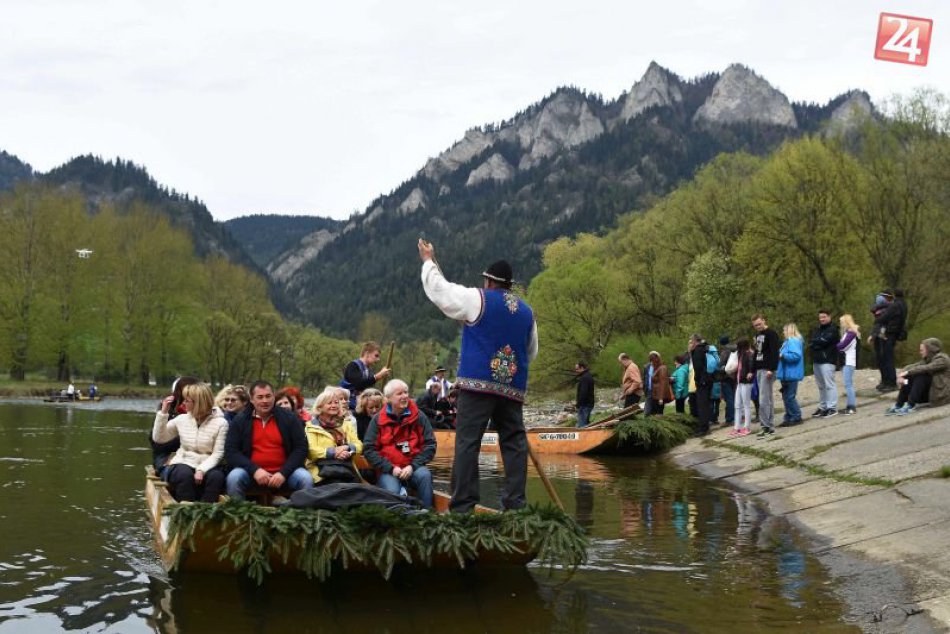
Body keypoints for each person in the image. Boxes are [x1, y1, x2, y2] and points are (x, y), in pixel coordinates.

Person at [419, 238, 537, 512]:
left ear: (488, 281)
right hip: (512, 389)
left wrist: (428, 262)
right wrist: (508, 372)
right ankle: (515, 505)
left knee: (468, 443)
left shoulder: (477, 299)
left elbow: (441, 292)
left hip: (477, 386)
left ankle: (462, 506)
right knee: (514, 444)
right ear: (509, 284)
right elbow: (530, 352)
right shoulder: (527, 312)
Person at [224, 380, 314, 500]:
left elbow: (301, 448)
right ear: (252, 399)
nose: (265, 401)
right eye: (260, 397)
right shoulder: (240, 421)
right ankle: (238, 516)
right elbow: (231, 451)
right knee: (234, 477)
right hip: (251, 473)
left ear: (274, 397)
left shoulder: (289, 418)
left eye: (268, 396)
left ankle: (303, 517)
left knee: (305, 478)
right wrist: (255, 470)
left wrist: (283, 473)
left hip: (286, 473)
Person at [363, 379, 436, 508]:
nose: (404, 396)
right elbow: (369, 450)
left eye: (406, 392)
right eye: (399, 394)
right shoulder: (377, 420)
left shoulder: (419, 417)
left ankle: (428, 514)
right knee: (392, 492)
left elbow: (430, 445)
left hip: (413, 467)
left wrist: (412, 466)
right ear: (388, 398)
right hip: (389, 470)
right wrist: (391, 469)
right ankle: (399, 518)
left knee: (425, 476)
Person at [152, 382, 228, 502]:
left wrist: (201, 470)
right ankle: (184, 511)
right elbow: (159, 438)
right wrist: (163, 413)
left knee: (216, 477)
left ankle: (205, 513)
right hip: (183, 462)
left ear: (198, 402)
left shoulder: (221, 423)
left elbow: (217, 454)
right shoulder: (181, 419)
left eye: (187, 400)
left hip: (208, 464)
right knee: (184, 475)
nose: (183, 403)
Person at [305, 388, 362, 484]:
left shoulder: (346, 424)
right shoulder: (311, 426)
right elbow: (311, 451)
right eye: (329, 403)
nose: (334, 405)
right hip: (321, 472)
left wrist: (347, 448)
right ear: (319, 407)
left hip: (346, 469)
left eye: (336, 403)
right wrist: (334, 452)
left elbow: (359, 445)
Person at [886, 338, 950, 415]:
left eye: (922, 350)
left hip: (941, 395)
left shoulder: (943, 359)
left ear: (930, 349)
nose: (920, 352)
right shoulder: (927, 359)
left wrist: (907, 372)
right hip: (929, 393)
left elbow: (926, 368)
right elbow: (913, 366)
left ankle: (910, 405)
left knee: (921, 375)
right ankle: (899, 405)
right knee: (908, 379)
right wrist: (902, 375)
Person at [151, 376, 197, 479]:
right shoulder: (166, 411)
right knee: (183, 474)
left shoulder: (205, 414)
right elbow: (157, 444)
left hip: (198, 458)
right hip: (167, 456)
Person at [869, 290, 907, 392]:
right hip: (886, 334)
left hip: (888, 334)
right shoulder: (900, 305)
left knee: (887, 358)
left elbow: (882, 319)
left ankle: (890, 382)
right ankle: (886, 381)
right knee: (883, 358)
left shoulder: (894, 306)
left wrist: (878, 321)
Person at [752, 314, 780, 438]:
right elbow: (757, 352)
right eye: (755, 325)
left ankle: (767, 426)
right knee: (764, 398)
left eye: (759, 324)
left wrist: (771, 368)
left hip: (767, 370)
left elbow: (775, 352)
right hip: (759, 369)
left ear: (764, 321)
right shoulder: (757, 335)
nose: (758, 326)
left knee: (764, 399)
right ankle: (767, 425)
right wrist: (752, 370)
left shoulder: (771, 334)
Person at [340, 342, 391, 410]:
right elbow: (359, 384)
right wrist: (377, 376)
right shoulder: (353, 365)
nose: (378, 359)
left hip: (360, 407)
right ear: (367, 353)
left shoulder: (368, 371)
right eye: (376, 356)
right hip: (348, 407)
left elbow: (367, 390)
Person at [810, 309, 839, 419]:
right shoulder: (817, 329)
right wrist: (818, 342)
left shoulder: (833, 329)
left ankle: (832, 407)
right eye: (820, 317)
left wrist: (818, 342)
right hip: (817, 360)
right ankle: (823, 407)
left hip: (828, 360)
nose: (822, 319)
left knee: (829, 384)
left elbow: (825, 341)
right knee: (821, 386)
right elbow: (813, 342)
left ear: (829, 317)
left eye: (824, 317)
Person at [777, 323, 805, 426]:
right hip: (786, 374)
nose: (783, 333)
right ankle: (789, 417)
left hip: (791, 373)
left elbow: (796, 355)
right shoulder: (788, 342)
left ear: (790, 331)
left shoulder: (793, 341)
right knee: (786, 397)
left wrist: (782, 355)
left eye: (784, 330)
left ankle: (796, 416)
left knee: (789, 397)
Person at [729, 337, 755, 437]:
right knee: (737, 405)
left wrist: (750, 373)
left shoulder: (749, 354)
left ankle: (747, 427)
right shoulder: (741, 354)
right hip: (739, 382)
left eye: (738, 346)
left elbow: (752, 366)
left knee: (746, 405)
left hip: (746, 382)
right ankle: (737, 427)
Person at [688, 334, 713, 435]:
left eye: (691, 341)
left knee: (702, 405)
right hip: (707, 379)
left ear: (694, 341)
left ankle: (704, 428)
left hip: (702, 381)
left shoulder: (698, 351)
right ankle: (704, 426)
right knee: (704, 404)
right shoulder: (704, 348)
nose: (690, 343)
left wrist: (698, 380)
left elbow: (698, 368)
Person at [837, 314, 861, 415]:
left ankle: (852, 407)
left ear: (846, 322)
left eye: (842, 322)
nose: (841, 324)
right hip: (847, 361)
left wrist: (837, 345)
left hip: (849, 362)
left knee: (848, 385)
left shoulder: (851, 334)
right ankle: (849, 406)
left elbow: (842, 346)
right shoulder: (848, 333)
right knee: (848, 384)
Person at [718, 335, 737, 425]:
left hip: (726, 376)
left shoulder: (725, 351)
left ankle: (730, 419)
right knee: (733, 397)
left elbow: (721, 363)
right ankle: (735, 416)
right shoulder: (735, 349)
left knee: (729, 398)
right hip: (734, 376)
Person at [645, 351, 672, 416]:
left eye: (652, 361)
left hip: (659, 396)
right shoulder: (657, 368)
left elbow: (663, 384)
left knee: (658, 414)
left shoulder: (662, 368)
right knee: (654, 413)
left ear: (655, 360)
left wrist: (661, 398)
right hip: (655, 395)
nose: (651, 363)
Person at [574, 361, 595, 427]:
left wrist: (578, 404)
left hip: (585, 405)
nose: (576, 371)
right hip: (588, 404)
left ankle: (583, 437)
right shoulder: (588, 375)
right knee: (586, 423)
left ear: (582, 368)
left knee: (582, 425)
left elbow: (583, 393)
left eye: (577, 369)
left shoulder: (584, 378)